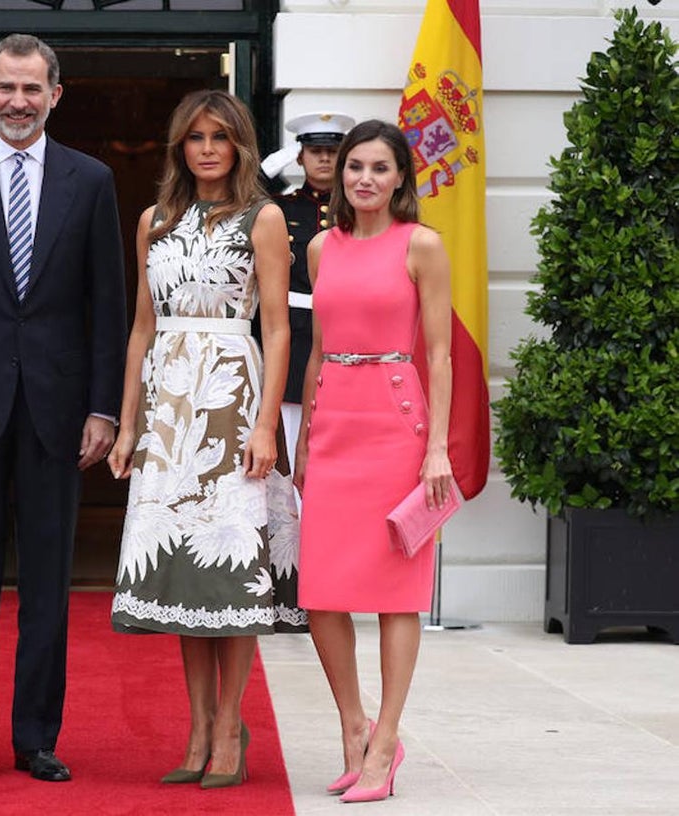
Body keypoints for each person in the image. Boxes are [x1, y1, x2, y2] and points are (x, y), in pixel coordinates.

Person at [0, 34, 127, 784]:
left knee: (47, 581)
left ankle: (37, 736)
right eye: (6, 87)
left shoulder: (91, 179)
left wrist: (105, 409)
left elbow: (109, 303)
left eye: (32, 89)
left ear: (56, 95)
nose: (18, 101)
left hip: (58, 411)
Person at [107, 89, 301, 790]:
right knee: (187, 575)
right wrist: (128, 423)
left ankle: (229, 726)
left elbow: (276, 328)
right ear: (180, 148)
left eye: (220, 136)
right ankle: (196, 727)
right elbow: (141, 328)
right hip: (167, 410)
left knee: (231, 574)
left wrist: (264, 423)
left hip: (231, 399)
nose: (208, 148)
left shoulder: (265, 216)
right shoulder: (154, 220)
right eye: (196, 137)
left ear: (240, 145)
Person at [293, 119, 454, 803]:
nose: (363, 178)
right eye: (355, 166)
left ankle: (386, 741)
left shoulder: (422, 245)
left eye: (379, 168)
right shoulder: (322, 248)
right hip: (333, 423)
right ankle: (353, 724)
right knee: (321, 592)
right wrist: (302, 435)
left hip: (396, 423)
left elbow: (440, 355)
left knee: (394, 595)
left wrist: (438, 447)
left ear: (400, 178)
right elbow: (317, 346)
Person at [259, 111, 355, 503]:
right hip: (296, 338)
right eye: (314, 151)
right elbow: (246, 195)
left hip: (344, 333)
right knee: (288, 446)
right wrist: (275, 162)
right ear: (300, 157)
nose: (324, 160)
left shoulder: (356, 210)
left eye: (333, 152)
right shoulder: (282, 208)